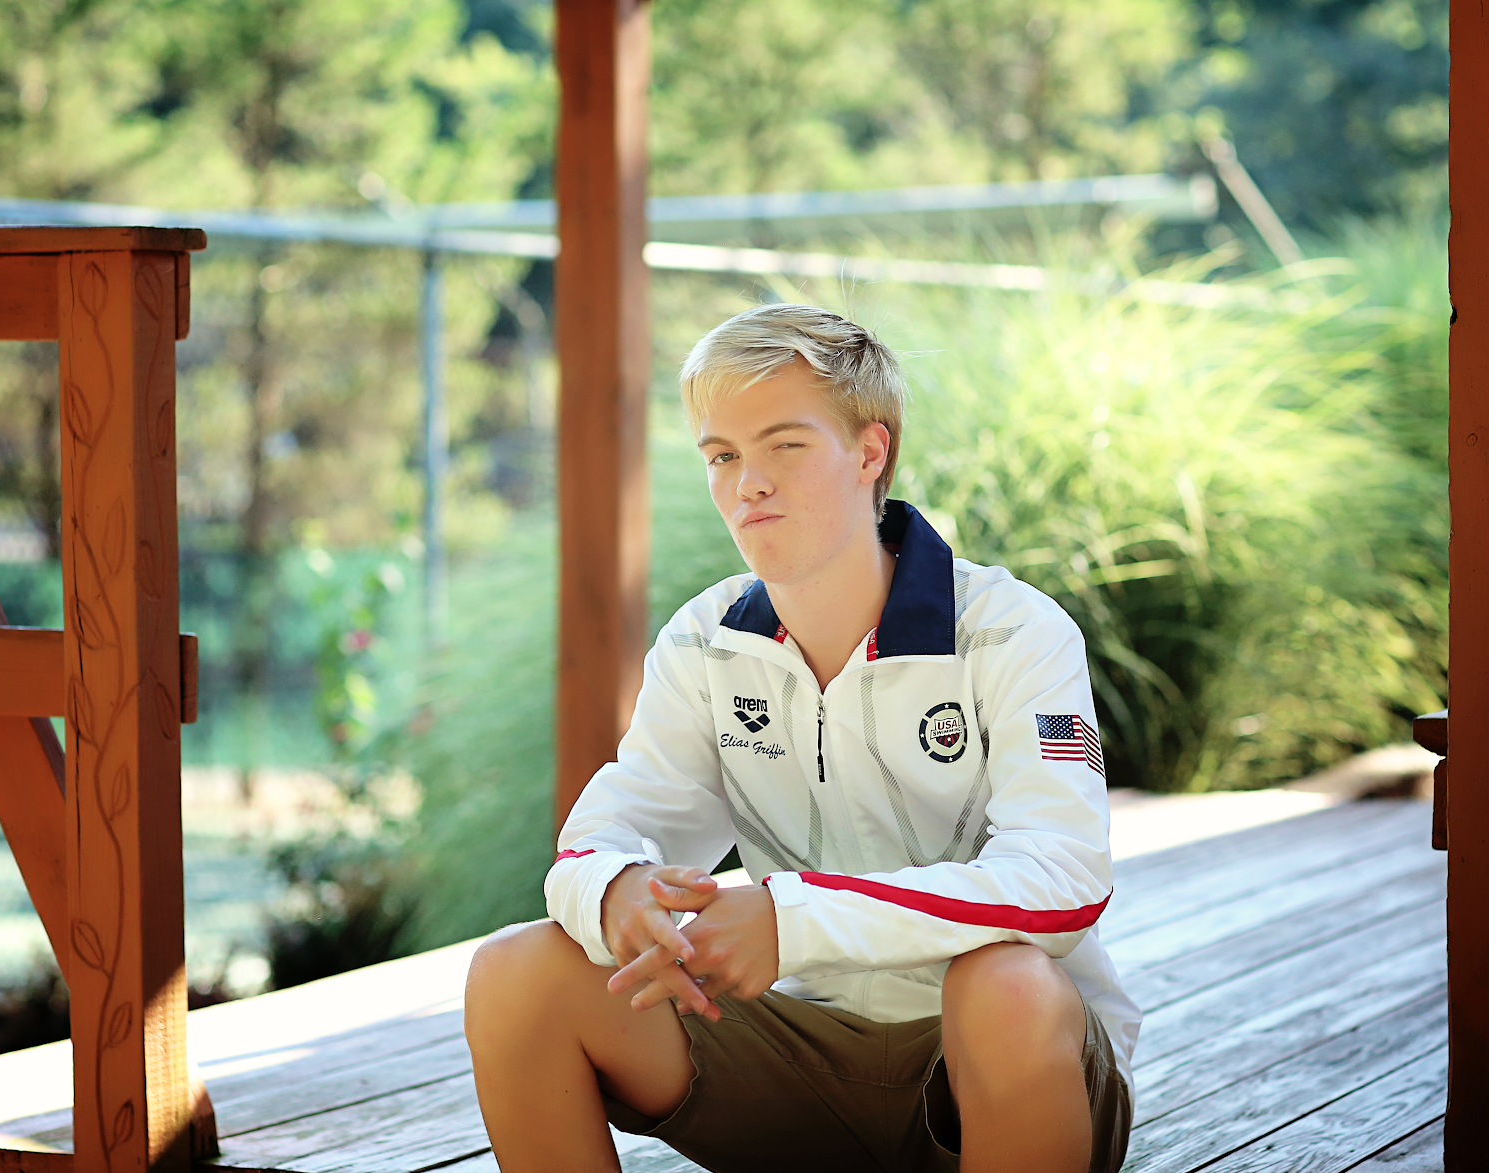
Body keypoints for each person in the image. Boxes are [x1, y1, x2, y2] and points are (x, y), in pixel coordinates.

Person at [464, 304, 1139, 1173]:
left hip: (1008, 1065)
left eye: (784, 445)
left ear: (870, 452)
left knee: (1004, 984)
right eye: (722, 455)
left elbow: (1064, 882)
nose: (749, 483)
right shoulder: (704, 642)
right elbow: (598, 838)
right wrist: (619, 893)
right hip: (807, 1066)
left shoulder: (1016, 630)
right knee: (517, 972)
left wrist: (794, 920)